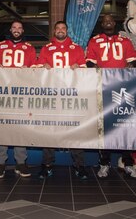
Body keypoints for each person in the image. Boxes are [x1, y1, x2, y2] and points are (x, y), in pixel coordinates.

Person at [86, 14, 136, 179]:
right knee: (105, 127)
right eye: (105, 21)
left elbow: (134, 60)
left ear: (114, 23)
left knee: (124, 126)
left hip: (122, 88)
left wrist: (133, 64)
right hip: (103, 87)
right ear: (102, 24)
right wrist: (94, 67)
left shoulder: (125, 41)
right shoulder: (95, 41)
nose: (108, 22)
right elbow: (89, 61)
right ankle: (104, 163)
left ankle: (128, 164)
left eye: (110, 20)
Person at [35, 21, 88, 180]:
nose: (60, 31)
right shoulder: (46, 48)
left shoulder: (77, 48)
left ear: (67, 31)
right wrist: (43, 65)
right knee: (50, 131)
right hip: (52, 95)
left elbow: (86, 72)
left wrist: (79, 67)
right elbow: (36, 70)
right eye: (57, 28)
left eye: (63, 28)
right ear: (54, 31)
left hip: (71, 95)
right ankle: (47, 165)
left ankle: (79, 165)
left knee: (74, 131)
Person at [0, 20, 36, 178]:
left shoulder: (29, 48)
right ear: (10, 30)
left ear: (23, 31)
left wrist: (27, 71)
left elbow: (35, 72)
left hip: (21, 93)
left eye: (19, 28)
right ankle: (0, 162)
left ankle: (21, 162)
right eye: (14, 28)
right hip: (3, 92)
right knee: (2, 126)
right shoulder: (0, 46)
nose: (16, 30)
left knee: (19, 126)